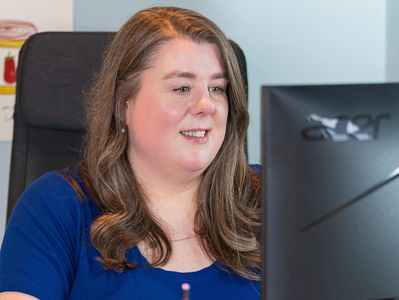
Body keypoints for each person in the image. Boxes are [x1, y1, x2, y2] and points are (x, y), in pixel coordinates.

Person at [0, 6, 261, 299]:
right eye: (182, 88)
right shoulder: (55, 207)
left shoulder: (271, 199)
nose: (207, 105)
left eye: (217, 88)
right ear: (125, 104)